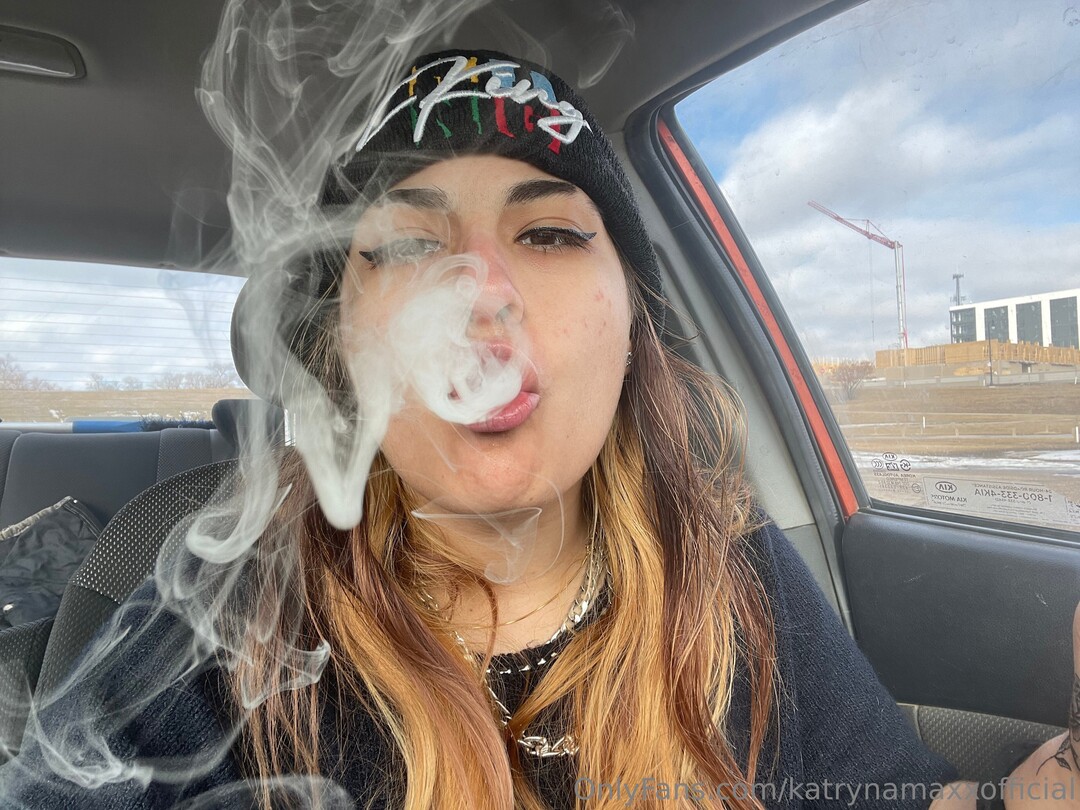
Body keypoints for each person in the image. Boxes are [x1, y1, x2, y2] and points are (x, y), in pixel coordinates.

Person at [1, 49, 1077, 810]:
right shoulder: (223, 603)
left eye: (552, 233)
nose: (483, 294)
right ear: (342, 344)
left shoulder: (726, 563)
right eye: (409, 247)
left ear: (632, 327)